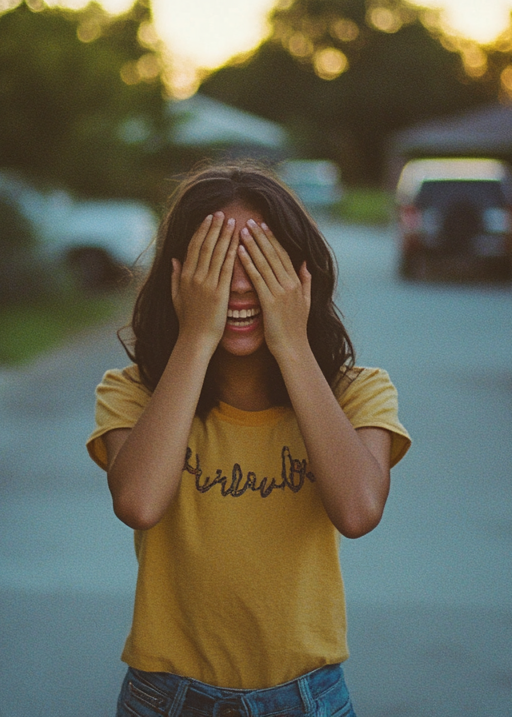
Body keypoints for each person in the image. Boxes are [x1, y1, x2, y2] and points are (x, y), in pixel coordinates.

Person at [86, 161, 410, 717]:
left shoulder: (358, 393)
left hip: (307, 697)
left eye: (260, 262)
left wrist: (293, 344)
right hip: (167, 697)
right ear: (177, 275)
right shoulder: (135, 392)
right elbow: (138, 502)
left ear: (302, 276)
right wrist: (196, 334)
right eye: (217, 262)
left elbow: (358, 511)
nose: (239, 284)